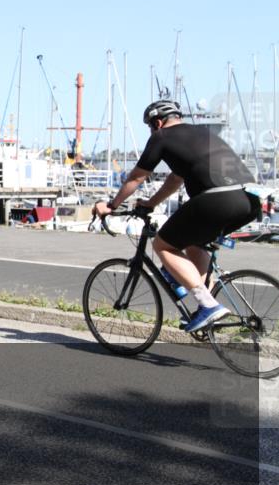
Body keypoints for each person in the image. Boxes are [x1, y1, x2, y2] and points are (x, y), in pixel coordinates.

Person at [93, 100, 259, 332]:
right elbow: (175, 180)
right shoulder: (201, 133)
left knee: (163, 245)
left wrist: (111, 205)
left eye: (151, 127)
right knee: (192, 243)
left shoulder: (161, 136)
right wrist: (150, 203)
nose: (152, 132)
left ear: (158, 122)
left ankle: (208, 305)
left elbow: (136, 177)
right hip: (247, 200)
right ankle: (207, 303)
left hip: (216, 199)